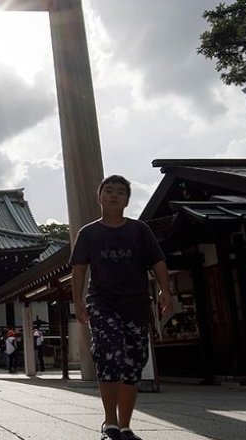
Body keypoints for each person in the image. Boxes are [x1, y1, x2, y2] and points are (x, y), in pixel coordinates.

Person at [70, 175, 171, 440]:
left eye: (120, 192)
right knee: (111, 353)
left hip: (136, 303)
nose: (114, 195)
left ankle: (125, 426)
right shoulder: (88, 233)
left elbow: (158, 261)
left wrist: (165, 290)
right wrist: (78, 301)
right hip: (102, 302)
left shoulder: (139, 230)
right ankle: (110, 423)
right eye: (109, 191)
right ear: (100, 197)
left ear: (127, 200)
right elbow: (78, 269)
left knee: (133, 363)